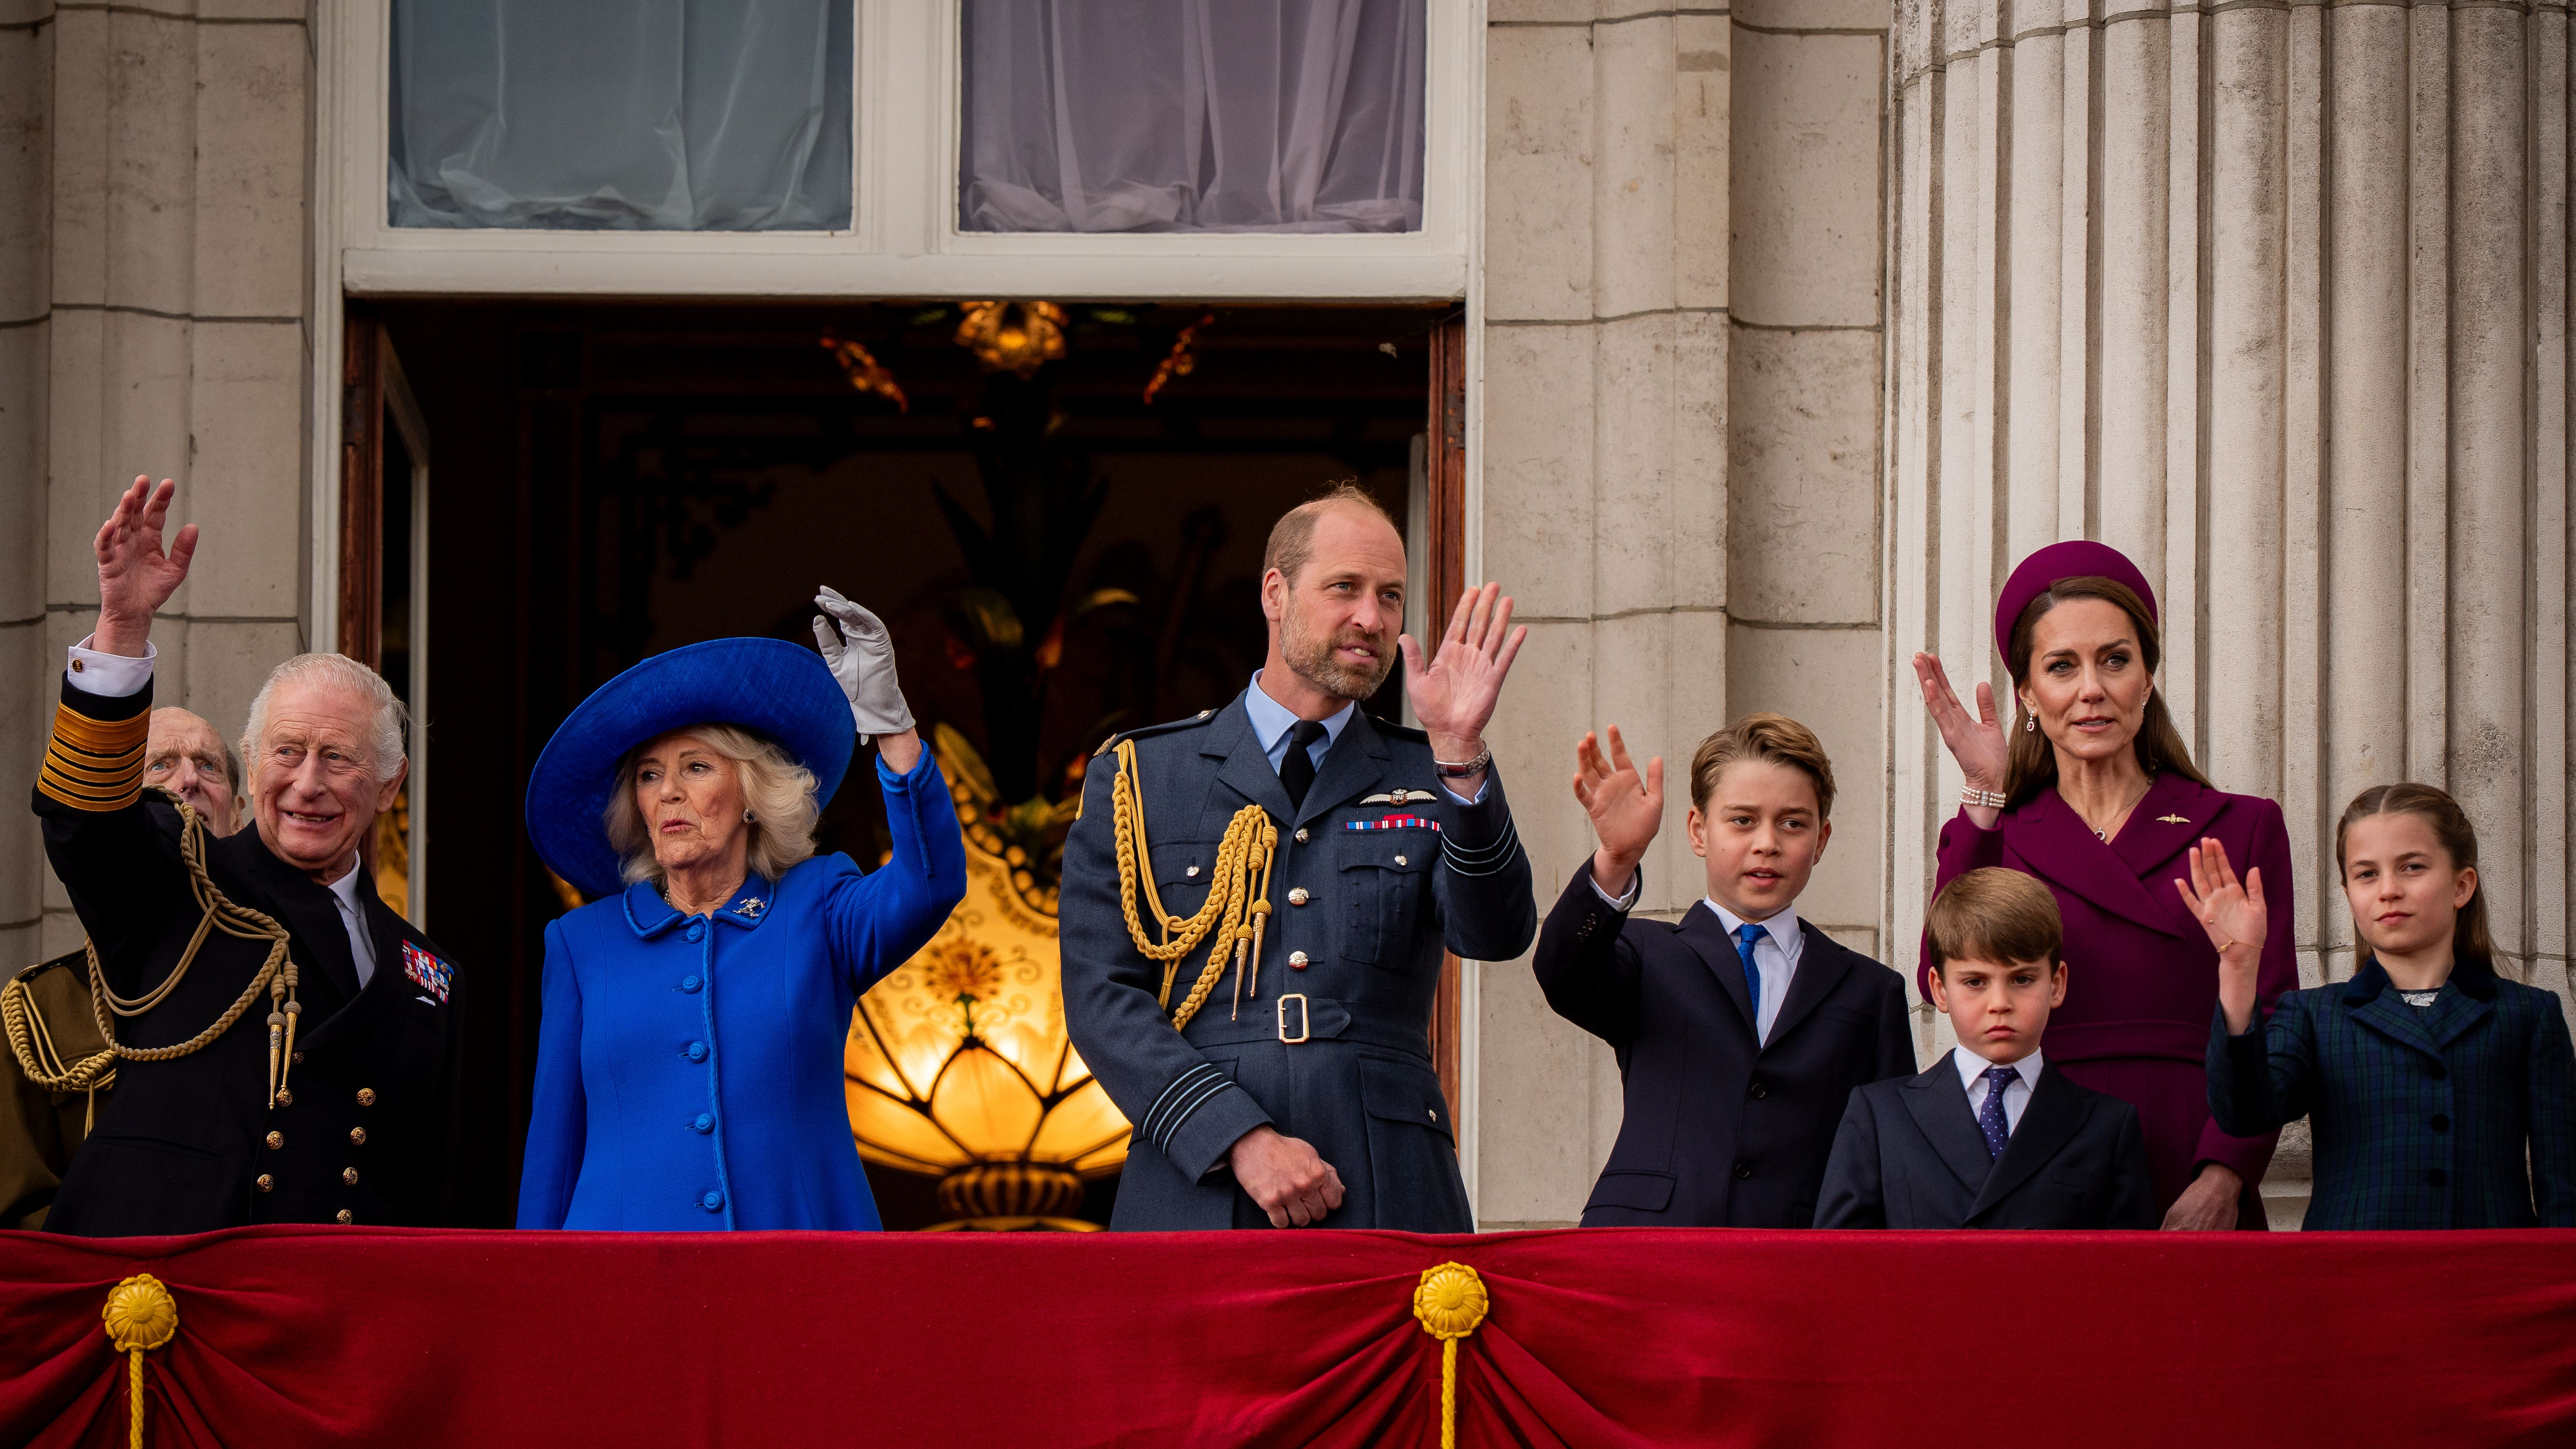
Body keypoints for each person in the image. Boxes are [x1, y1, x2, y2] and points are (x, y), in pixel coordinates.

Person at [1059, 484, 1536, 1231]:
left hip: (1386, 1177)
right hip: (1198, 1181)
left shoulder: (1433, 770)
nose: (1371, 618)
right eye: (1344, 587)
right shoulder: (1142, 777)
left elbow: (1495, 934)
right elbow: (1100, 996)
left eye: (1390, 596)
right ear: (1274, 593)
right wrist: (1236, 1137)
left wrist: (1460, 754)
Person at [32, 475, 457, 1235]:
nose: (307, 783)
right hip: (170, 1280)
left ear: (390, 786)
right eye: (287, 752)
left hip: (328, 1289)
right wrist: (122, 629)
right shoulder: (179, 882)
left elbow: (422, 1188)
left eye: (338, 758)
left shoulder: (424, 970)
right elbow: (85, 824)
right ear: (254, 767)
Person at [515, 590, 966, 1231]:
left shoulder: (819, 908)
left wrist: (893, 729)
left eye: (696, 767)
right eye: (648, 775)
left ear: (753, 795)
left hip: (798, 1266)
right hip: (625, 1274)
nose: (669, 792)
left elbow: (929, 883)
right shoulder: (582, 943)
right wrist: (535, 1281)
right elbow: (554, 1152)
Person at [1911, 540, 2295, 1229]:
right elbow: (1937, 978)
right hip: (2040, 1145)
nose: (2091, 689)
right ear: (2028, 693)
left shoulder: (2240, 826)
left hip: (2190, 1143)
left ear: (2146, 679)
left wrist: (2226, 1173)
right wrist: (1985, 793)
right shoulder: (1998, 832)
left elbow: (2270, 1018)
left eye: (2114, 660)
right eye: (2062, 666)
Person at [1536, 713, 1912, 1227]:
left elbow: (1892, 1156)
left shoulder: (1870, 990)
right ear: (1698, 830)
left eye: (1792, 823)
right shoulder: (1643, 952)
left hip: (1794, 1253)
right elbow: (1561, 971)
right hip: (1648, 1244)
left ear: (1821, 840)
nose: (1767, 843)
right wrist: (1617, 860)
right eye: (1742, 821)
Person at [2197, 785, 2576, 1229]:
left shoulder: (2527, 1014)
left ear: (2461, 886)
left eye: (2412, 867)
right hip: (2352, 1267)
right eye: (2367, 874)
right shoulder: (2313, 1015)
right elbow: (2244, 1115)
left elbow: (2564, 1187)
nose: (2389, 890)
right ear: (2348, 894)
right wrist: (2239, 970)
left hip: (2489, 1266)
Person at [2, 706, 244, 1228]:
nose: (188, 780)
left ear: (239, 816)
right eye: (160, 766)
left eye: (207, 766)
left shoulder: (291, 983)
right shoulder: (42, 1010)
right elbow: (20, 1218)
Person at [1816, 868, 2156, 1229]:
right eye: (1976, 981)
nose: (2000, 1003)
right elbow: (1840, 1256)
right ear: (1940, 989)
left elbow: (2128, 1261)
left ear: (2056, 984)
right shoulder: (1881, 1115)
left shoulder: (2107, 1126)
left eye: (2022, 979)